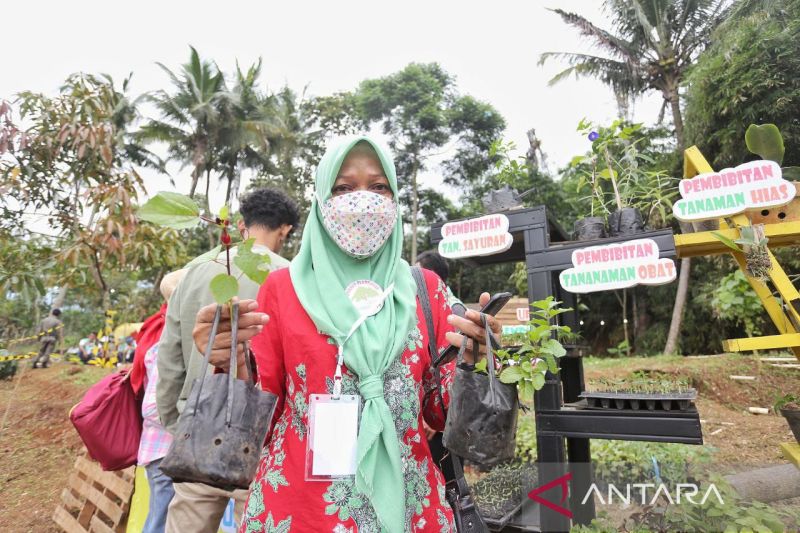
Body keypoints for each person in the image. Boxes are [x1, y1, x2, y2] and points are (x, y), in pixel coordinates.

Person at [191, 136, 500, 533]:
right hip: (302, 512)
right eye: (343, 188)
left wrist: (473, 360)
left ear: (394, 199)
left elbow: (440, 415)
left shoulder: (425, 289)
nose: (362, 200)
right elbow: (259, 420)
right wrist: (229, 361)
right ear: (321, 200)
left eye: (378, 187)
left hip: (412, 509)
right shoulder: (283, 290)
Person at [157, 187, 299, 533]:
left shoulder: (194, 274)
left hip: (199, 426)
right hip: (264, 432)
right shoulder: (294, 278)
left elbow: (170, 360)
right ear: (286, 230)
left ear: (241, 224)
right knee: (259, 519)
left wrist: (177, 424)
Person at [138, 269, 187, 533]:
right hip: (164, 452)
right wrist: (185, 421)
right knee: (160, 524)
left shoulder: (164, 334)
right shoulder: (165, 344)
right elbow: (152, 407)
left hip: (168, 454)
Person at [416, 250, 467, 317]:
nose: (412, 278)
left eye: (417, 273)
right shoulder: (421, 305)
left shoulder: (454, 309)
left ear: (432, 275)